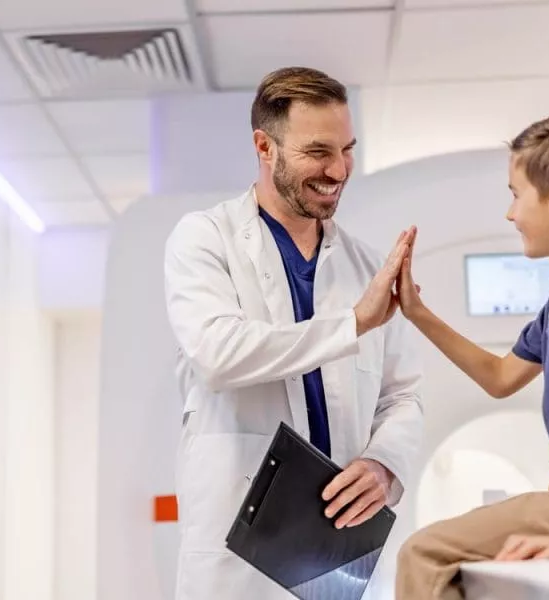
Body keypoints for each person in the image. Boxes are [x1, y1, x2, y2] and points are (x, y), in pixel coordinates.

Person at [163, 66, 424, 600]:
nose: (339, 169)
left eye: (347, 149)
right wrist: (353, 324)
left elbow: (403, 394)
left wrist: (383, 463)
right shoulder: (205, 239)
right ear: (265, 146)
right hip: (238, 553)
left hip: (338, 549)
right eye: (318, 151)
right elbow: (218, 353)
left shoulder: (364, 265)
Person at [394, 106, 549, 599]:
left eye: (516, 196)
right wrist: (417, 312)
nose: (510, 213)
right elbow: (499, 376)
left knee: (422, 552)